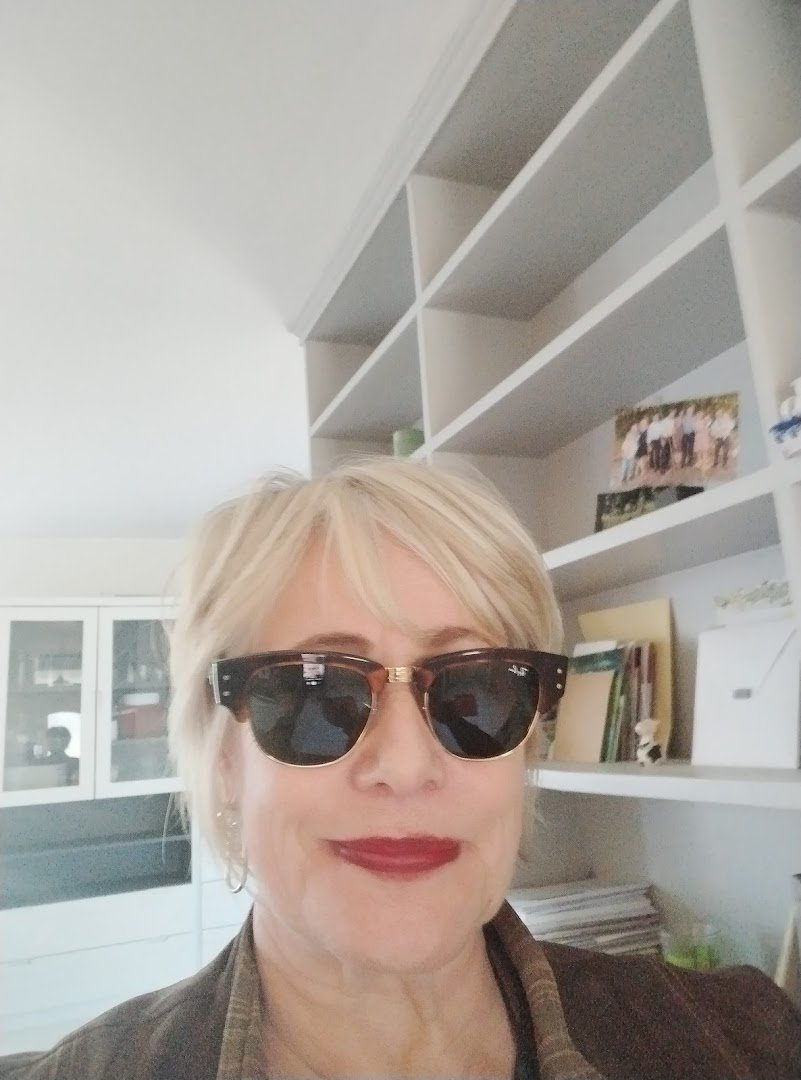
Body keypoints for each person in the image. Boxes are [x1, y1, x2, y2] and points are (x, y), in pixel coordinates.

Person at [2, 458, 798, 1080]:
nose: (407, 767)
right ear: (223, 760)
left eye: (475, 691)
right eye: (316, 695)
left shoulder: (741, 1038)